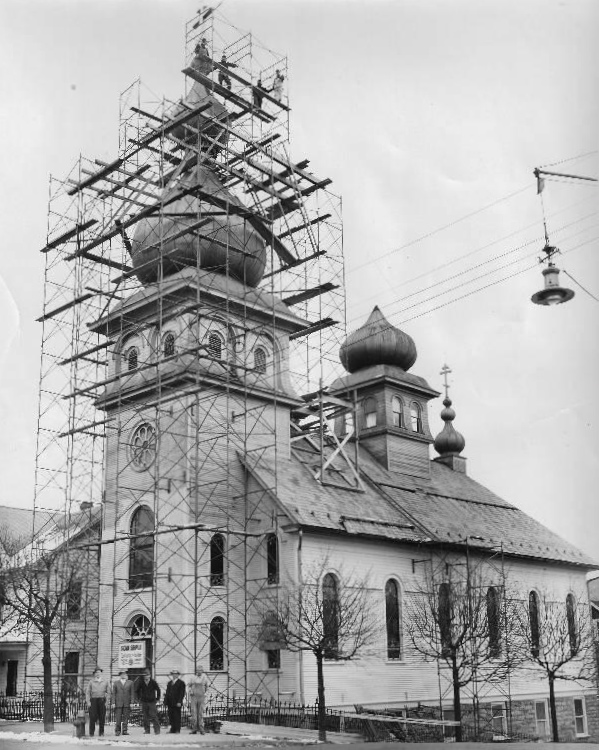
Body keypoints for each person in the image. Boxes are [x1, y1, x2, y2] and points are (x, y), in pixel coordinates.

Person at [135, 668, 161, 735]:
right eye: (145, 675)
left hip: (152, 702)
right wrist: (139, 699)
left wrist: (157, 698)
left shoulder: (153, 682)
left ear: (149, 675)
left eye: (147, 675)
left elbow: (158, 690)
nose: (146, 676)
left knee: (153, 716)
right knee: (145, 717)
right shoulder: (141, 682)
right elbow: (137, 691)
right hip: (144, 702)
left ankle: (157, 730)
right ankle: (147, 730)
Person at [85, 667, 110, 737]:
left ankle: (101, 732)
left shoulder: (105, 681)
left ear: (101, 673)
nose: (98, 674)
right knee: (92, 717)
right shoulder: (91, 682)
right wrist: (88, 702)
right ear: (94, 674)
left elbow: (109, 692)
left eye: (99, 672)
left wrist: (107, 702)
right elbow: (88, 692)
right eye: (96, 673)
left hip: (102, 700)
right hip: (93, 700)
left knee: (102, 717)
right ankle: (91, 732)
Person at [187, 666, 210, 734]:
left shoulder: (205, 678)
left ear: (202, 671)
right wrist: (190, 691)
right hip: (194, 697)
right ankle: (194, 729)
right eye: (198, 670)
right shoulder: (193, 678)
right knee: (194, 712)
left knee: (200, 713)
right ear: (196, 671)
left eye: (200, 670)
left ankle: (201, 729)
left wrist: (205, 694)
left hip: (201, 697)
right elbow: (189, 686)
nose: (199, 671)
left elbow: (208, 688)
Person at [112, 669, 134, 736]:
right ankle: (117, 731)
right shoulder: (116, 683)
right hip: (118, 703)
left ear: (126, 675)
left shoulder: (130, 682)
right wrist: (113, 702)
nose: (123, 675)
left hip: (126, 703)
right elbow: (114, 694)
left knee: (125, 718)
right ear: (120, 675)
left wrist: (132, 702)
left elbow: (132, 693)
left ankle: (125, 730)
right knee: (118, 718)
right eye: (122, 674)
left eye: (124, 674)